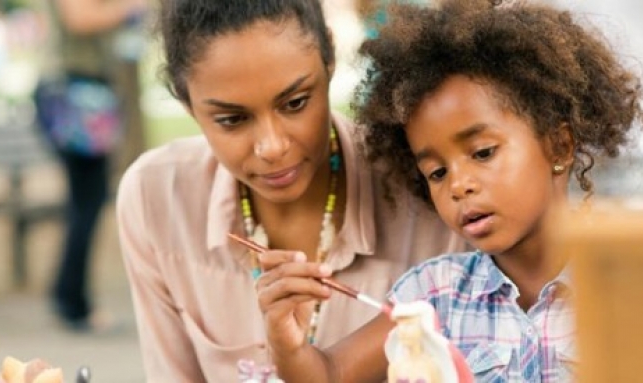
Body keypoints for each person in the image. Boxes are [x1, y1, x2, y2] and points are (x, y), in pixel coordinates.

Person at [255, 0, 643, 381]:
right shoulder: (434, 295)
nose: (459, 185)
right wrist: (289, 346)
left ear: (558, 145)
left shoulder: (621, 277)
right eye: (437, 173)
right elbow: (331, 373)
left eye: (483, 153)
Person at [115, 0, 464, 381]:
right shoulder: (156, 198)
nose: (272, 147)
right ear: (187, 104)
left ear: (329, 61)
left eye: (295, 103)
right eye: (232, 120)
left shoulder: (429, 190)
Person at [41, 0, 145, 332]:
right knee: (87, 200)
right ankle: (72, 301)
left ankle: (70, 297)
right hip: (76, 94)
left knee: (86, 200)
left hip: (88, 94)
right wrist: (129, 8)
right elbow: (80, 18)